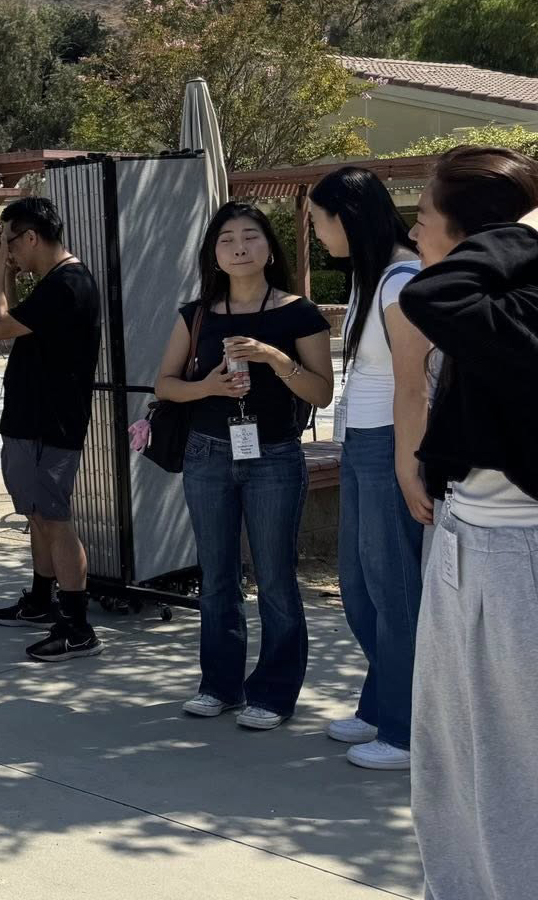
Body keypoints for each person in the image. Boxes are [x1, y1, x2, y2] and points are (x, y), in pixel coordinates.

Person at [399, 145, 538, 900]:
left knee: (513, 765)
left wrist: (524, 229)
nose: (414, 233)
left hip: (516, 551)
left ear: (477, 234)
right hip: (467, 537)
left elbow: (435, 295)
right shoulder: (498, 301)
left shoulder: (520, 304)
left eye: (424, 217)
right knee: (450, 755)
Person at [154, 202, 333, 732]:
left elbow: (321, 393)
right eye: (226, 238)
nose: (239, 247)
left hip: (274, 455)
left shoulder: (299, 312)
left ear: (269, 247)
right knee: (217, 577)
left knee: (275, 578)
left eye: (250, 236)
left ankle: (274, 693)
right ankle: (219, 685)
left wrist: (275, 359)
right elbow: (165, 385)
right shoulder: (197, 313)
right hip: (207, 453)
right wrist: (208, 386)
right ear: (213, 253)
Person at [308, 166, 428, 770]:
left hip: (389, 446)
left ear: (346, 217)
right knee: (358, 590)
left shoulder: (402, 281)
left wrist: (407, 465)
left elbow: (415, 386)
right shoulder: (371, 276)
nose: (313, 230)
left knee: (393, 590)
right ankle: (383, 704)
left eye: (317, 218)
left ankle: (408, 732)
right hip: (360, 443)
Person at [0, 197, 104, 661]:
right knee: (38, 515)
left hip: (50, 423)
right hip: (34, 418)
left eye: (9, 242)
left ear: (31, 237)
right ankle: (40, 599)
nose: (8, 251)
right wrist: (6, 270)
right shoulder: (57, 282)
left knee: (54, 519)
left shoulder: (67, 284)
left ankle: (76, 626)